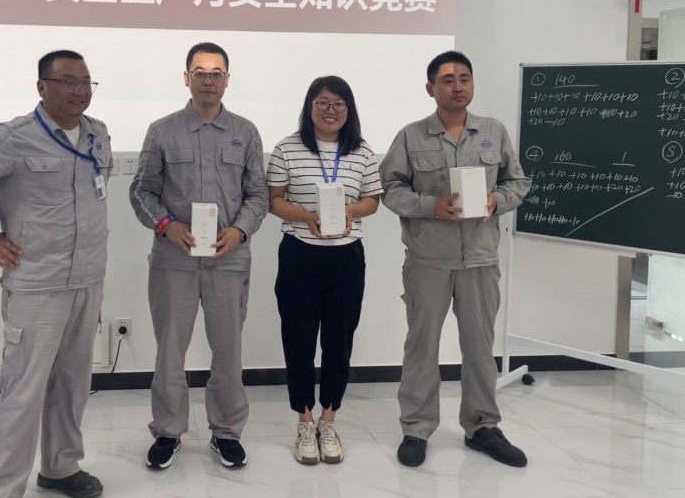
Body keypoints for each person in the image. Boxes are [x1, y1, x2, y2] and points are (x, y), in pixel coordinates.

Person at [0, 50, 111, 498]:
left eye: (86, 82)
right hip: (37, 283)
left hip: (88, 278)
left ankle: (60, 467)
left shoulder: (97, 133)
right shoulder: (15, 137)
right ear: (42, 87)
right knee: (23, 392)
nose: (79, 91)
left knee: (73, 385)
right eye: (68, 81)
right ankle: (2, 489)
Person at [378, 50, 531, 469]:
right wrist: (431, 206)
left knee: (480, 348)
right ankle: (416, 427)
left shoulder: (493, 131)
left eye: (464, 78)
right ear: (430, 88)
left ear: (472, 84)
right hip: (428, 259)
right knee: (422, 346)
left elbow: (517, 182)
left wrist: (496, 200)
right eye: (447, 80)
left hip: (480, 259)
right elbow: (390, 189)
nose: (457, 86)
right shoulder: (410, 136)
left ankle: (482, 426)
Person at [129, 42, 268, 470]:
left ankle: (226, 432)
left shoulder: (246, 132)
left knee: (228, 351)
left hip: (229, 259)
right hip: (175, 259)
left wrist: (240, 230)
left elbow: (258, 195)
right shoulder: (162, 131)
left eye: (216, 73)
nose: (209, 80)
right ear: (186, 78)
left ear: (227, 80)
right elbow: (141, 190)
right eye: (201, 73)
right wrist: (166, 225)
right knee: (170, 351)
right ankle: (168, 431)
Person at [266, 76, 382, 465]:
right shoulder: (287, 148)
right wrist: (307, 216)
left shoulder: (362, 151)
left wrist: (348, 211)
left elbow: (372, 200)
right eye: (322, 103)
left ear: (349, 109)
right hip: (300, 255)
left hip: (346, 258)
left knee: (339, 340)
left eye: (338, 104)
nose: (330, 111)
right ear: (309, 107)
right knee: (298, 339)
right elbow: (274, 200)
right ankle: (304, 420)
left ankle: (328, 421)